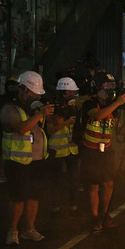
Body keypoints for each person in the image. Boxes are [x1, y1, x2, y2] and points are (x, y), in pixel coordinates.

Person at [0, 70, 54, 245]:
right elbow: (21, 128)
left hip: (37, 160)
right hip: (17, 162)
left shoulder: (35, 108)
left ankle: (29, 229)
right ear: (22, 89)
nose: (36, 96)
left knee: (33, 196)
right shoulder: (9, 108)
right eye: (33, 92)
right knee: (18, 198)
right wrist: (40, 114)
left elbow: (47, 129)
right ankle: (13, 231)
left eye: (38, 93)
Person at [78, 72, 125, 234]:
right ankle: (94, 217)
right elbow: (99, 116)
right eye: (107, 85)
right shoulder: (89, 103)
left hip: (106, 151)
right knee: (93, 185)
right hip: (91, 151)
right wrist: (118, 103)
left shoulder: (112, 105)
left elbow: (117, 128)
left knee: (108, 183)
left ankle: (104, 213)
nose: (110, 89)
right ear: (97, 87)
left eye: (112, 85)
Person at [44, 76, 81, 214]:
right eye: (70, 92)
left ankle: (73, 203)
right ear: (63, 92)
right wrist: (66, 123)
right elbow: (50, 130)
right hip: (57, 149)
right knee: (56, 180)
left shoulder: (74, 107)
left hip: (72, 148)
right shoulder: (54, 108)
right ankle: (54, 205)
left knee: (74, 178)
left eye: (74, 92)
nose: (73, 95)